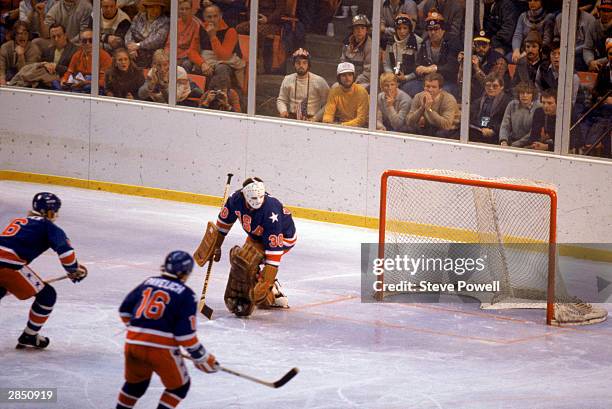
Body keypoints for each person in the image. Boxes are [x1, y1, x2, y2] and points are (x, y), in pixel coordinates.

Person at [116, 251, 218, 409]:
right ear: (185, 273)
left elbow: (124, 311)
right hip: (161, 351)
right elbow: (185, 336)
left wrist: (140, 331)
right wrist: (202, 357)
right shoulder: (187, 295)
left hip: (133, 343)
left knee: (135, 385)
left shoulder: (148, 282)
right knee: (179, 387)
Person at [0, 192, 87, 349]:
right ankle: (30, 335)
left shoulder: (20, 221)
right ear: (49, 211)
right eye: (55, 210)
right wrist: (74, 270)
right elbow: (65, 251)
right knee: (47, 295)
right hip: (9, 266)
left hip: (6, 263)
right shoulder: (48, 226)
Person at [203, 177, 296, 317]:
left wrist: (266, 280)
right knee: (240, 261)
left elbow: (274, 251)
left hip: (283, 239)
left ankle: (272, 293)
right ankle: (262, 291)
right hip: (256, 236)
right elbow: (223, 225)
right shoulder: (235, 199)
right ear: (244, 195)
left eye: (260, 196)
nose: (258, 200)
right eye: (253, 197)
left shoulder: (271, 211)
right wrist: (216, 246)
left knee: (247, 261)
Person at [406, 10, 460, 98]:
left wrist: (434, 69)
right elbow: (417, 65)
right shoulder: (425, 42)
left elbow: (453, 67)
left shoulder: (453, 42)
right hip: (427, 82)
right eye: (430, 29)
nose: (433, 32)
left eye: (436, 28)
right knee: (408, 87)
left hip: (447, 81)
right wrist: (418, 68)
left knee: (441, 93)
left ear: (443, 29)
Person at [198, 3, 245, 91]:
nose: (212, 20)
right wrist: (202, 63)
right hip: (206, 61)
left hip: (229, 63)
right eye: (209, 17)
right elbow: (192, 51)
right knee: (189, 65)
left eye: (215, 16)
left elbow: (224, 56)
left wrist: (212, 36)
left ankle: (222, 99)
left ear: (221, 16)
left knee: (221, 68)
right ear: (204, 18)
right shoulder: (201, 29)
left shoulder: (230, 30)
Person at [277, 48, 330, 121]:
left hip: (312, 119)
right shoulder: (287, 79)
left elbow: (328, 103)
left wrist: (316, 118)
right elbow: (281, 100)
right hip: (292, 117)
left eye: (304, 63)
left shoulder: (320, 81)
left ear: (309, 65)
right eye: (298, 63)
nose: (301, 65)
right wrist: (283, 111)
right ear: (294, 64)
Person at [406, 72, 459, 138]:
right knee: (408, 130)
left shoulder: (449, 99)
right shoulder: (418, 96)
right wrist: (422, 108)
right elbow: (409, 122)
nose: (430, 90)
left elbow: (446, 125)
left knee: (439, 134)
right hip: (428, 126)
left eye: (434, 87)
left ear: (440, 89)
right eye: (427, 86)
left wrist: (429, 109)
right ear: (423, 87)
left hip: (449, 129)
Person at [61, 28, 112, 93]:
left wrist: (86, 83)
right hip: (77, 84)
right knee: (56, 83)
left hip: (95, 88)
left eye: (91, 40)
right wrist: (64, 80)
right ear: (80, 42)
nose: (88, 43)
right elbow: (69, 72)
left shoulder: (105, 57)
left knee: (89, 80)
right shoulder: (77, 55)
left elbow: (104, 82)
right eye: (84, 41)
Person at [382, 13, 422, 95]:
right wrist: (391, 75)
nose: (402, 31)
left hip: (413, 79)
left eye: (405, 28)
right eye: (399, 28)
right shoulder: (390, 41)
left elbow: (420, 66)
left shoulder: (418, 42)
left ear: (409, 29)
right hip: (394, 77)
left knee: (404, 90)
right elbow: (386, 63)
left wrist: (406, 78)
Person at [124, 0, 170, 68]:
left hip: (151, 51)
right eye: (152, 7)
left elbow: (157, 40)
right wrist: (131, 47)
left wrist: (138, 45)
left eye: (158, 7)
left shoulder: (165, 21)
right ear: (146, 8)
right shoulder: (139, 16)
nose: (155, 10)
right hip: (135, 49)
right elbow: (130, 32)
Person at [322, 62, 369, 128]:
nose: (347, 78)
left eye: (350, 75)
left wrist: (341, 125)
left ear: (354, 76)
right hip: (340, 125)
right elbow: (328, 114)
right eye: (344, 75)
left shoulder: (361, 91)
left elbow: (361, 120)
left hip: (359, 128)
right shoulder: (334, 91)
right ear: (339, 78)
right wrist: (327, 122)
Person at [469, 74, 512, 145]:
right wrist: (480, 129)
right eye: (488, 85)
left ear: (502, 87)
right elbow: (471, 117)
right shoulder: (478, 101)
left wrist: (493, 130)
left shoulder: (508, 102)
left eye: (495, 86)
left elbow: (508, 123)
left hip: (496, 135)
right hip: (478, 131)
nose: (491, 88)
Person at [499, 81, 541, 147]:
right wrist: (503, 141)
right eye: (522, 93)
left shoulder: (539, 107)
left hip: (530, 144)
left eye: (528, 93)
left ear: (533, 95)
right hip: (511, 142)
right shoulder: (512, 104)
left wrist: (515, 145)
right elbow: (505, 125)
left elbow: (533, 133)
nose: (525, 95)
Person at [166, 0, 203, 74]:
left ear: (191, 10)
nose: (184, 11)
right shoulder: (175, 23)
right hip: (174, 55)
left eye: (187, 9)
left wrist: (180, 58)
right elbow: (169, 44)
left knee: (186, 64)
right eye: (182, 9)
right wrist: (167, 56)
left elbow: (193, 48)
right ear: (178, 10)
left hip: (187, 56)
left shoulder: (197, 25)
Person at [0, 21, 41, 85]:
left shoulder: (34, 49)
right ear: (15, 35)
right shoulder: (5, 47)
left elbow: (25, 74)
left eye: (25, 33)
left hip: (26, 82)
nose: (22, 36)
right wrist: (2, 78)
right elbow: (1, 68)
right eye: (19, 34)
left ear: (28, 35)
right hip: (7, 80)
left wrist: (21, 55)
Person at [340, 14, 372, 90]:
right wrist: (345, 79)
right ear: (353, 30)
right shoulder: (347, 43)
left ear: (367, 30)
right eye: (356, 28)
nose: (359, 31)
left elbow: (368, 72)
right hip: (347, 79)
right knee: (335, 87)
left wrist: (354, 82)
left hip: (364, 81)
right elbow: (342, 62)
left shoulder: (370, 46)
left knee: (357, 90)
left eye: (362, 28)